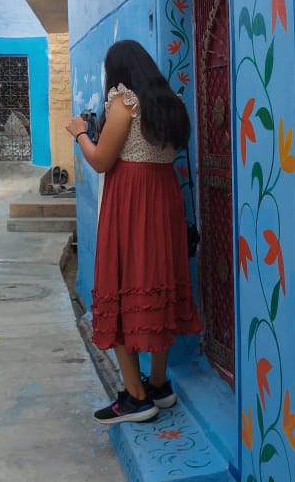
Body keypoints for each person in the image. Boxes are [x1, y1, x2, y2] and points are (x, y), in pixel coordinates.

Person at [67, 39, 202, 424]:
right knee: (158, 285)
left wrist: (80, 133)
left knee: (122, 286)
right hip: (163, 200)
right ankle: (159, 385)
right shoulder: (170, 103)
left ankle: (135, 397)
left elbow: (102, 160)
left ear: (118, 71)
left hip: (131, 203)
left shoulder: (124, 101)